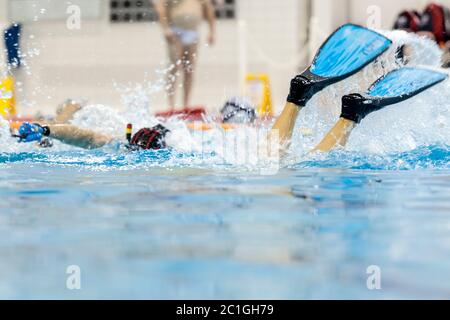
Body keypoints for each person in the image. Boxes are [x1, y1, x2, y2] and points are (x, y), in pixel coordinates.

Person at [154, 0, 216, 110]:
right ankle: (171, 105)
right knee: (174, 67)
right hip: (175, 31)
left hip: (192, 32)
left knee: (189, 69)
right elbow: (160, 8)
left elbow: (209, 9)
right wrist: (166, 28)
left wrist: (212, 31)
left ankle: (185, 105)